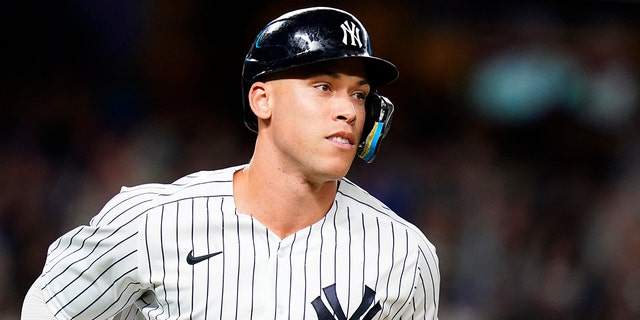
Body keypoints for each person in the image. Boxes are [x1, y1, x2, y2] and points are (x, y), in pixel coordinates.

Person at [22, 6, 440, 319]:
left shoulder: (404, 254)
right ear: (262, 99)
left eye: (359, 94)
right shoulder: (152, 222)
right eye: (324, 86)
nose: (348, 110)